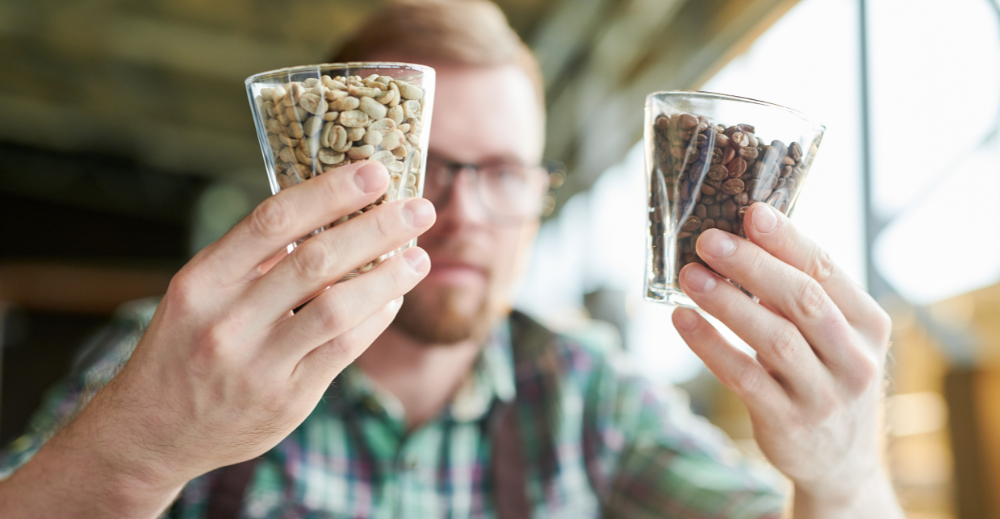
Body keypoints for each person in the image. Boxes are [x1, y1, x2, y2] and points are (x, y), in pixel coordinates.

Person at [0, 0, 903, 517]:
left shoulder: (584, 394)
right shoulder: (177, 360)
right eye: (425, 164)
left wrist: (845, 474)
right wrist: (136, 452)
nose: (461, 211)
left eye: (506, 173)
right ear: (320, 170)